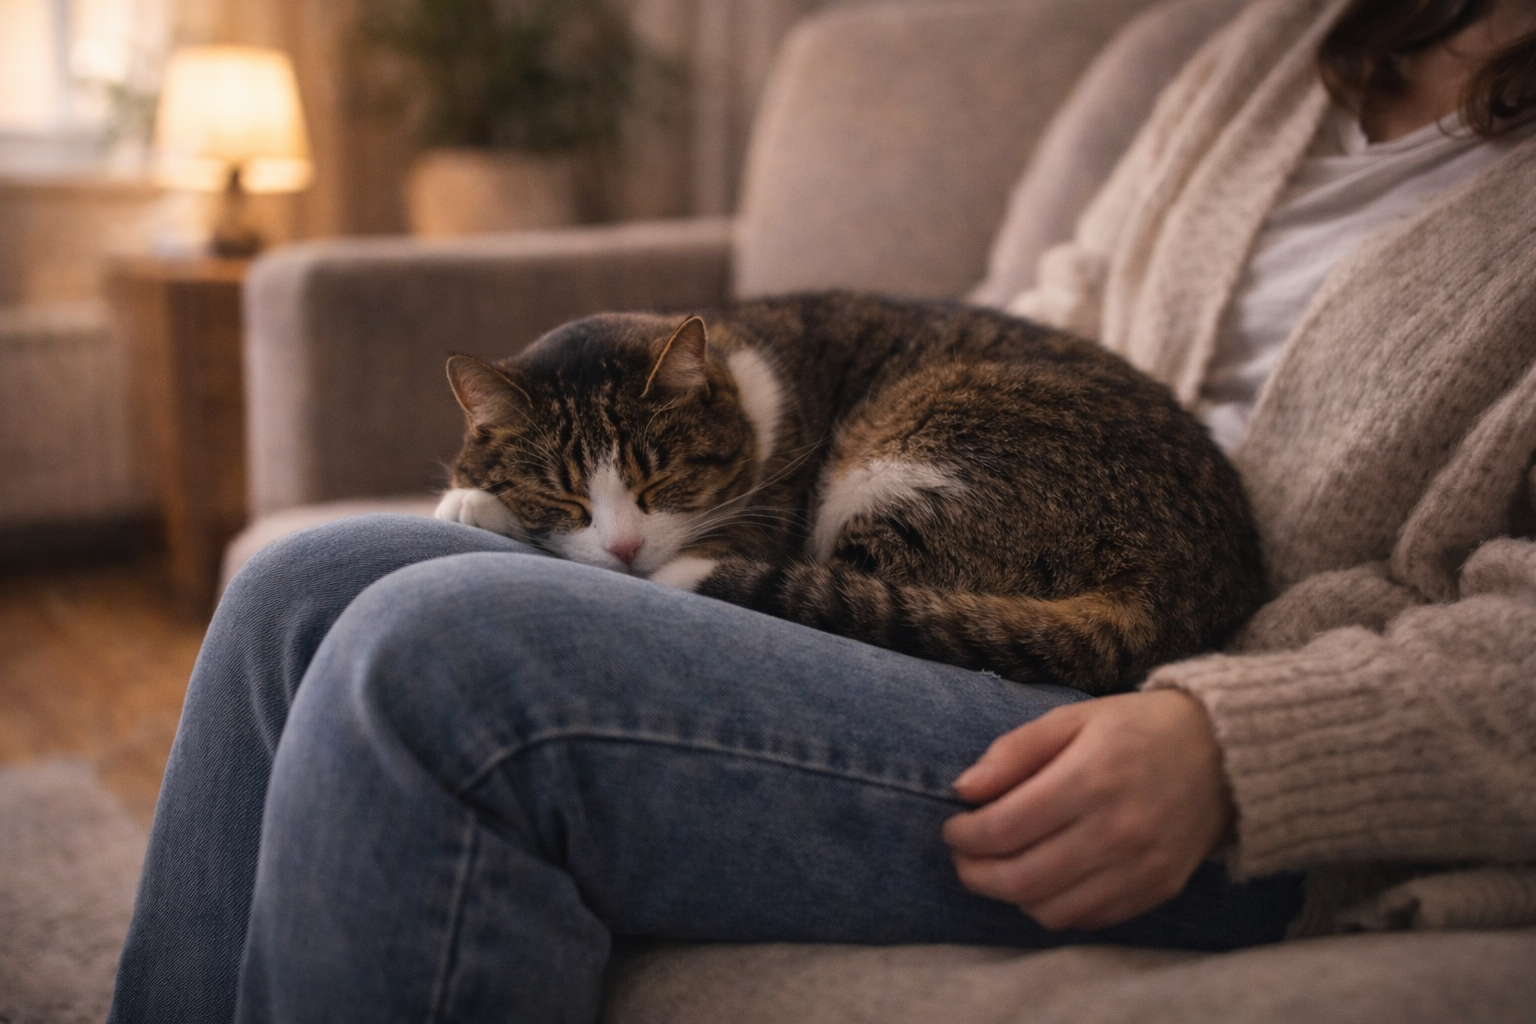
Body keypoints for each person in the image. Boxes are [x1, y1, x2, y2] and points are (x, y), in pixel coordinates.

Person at [108, 0, 1536, 1020]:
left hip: (1224, 745)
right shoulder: (1284, 44)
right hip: (1039, 499)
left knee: (436, 655)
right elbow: (1058, 312)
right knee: (303, 587)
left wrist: (1245, 747)